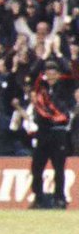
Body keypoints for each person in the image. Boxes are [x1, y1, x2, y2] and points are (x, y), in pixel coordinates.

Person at [29, 61, 74, 208]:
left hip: (58, 132)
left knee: (59, 168)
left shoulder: (65, 89)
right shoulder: (41, 90)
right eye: (48, 74)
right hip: (43, 132)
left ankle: (59, 198)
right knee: (37, 167)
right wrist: (42, 58)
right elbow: (32, 74)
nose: (51, 77)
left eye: (54, 74)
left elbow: (71, 72)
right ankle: (38, 198)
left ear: (59, 75)